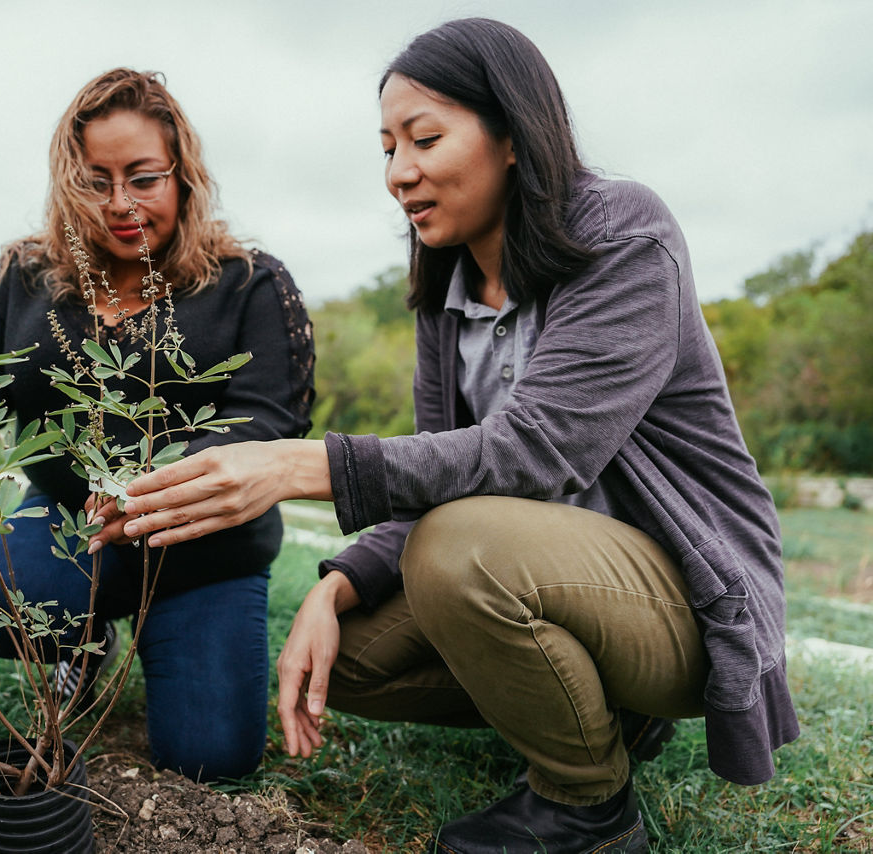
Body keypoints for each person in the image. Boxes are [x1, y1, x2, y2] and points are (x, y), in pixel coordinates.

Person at [99, 20, 799, 853]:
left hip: (679, 595)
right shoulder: (450, 278)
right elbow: (442, 469)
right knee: (347, 656)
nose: (400, 173)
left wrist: (293, 464)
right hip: (547, 574)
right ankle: (608, 717)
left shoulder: (624, 236)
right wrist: (332, 588)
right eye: (388, 147)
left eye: (425, 139)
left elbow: (535, 454)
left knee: (457, 547)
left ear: (511, 133)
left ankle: (588, 807)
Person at [0, 68, 315, 783]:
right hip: (72, 522)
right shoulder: (21, 276)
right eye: (97, 181)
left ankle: (176, 633)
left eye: (143, 178)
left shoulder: (250, 282)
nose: (121, 204)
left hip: (208, 551)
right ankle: (83, 642)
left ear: (182, 176)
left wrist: (150, 487)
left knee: (210, 761)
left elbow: (269, 419)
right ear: (69, 183)